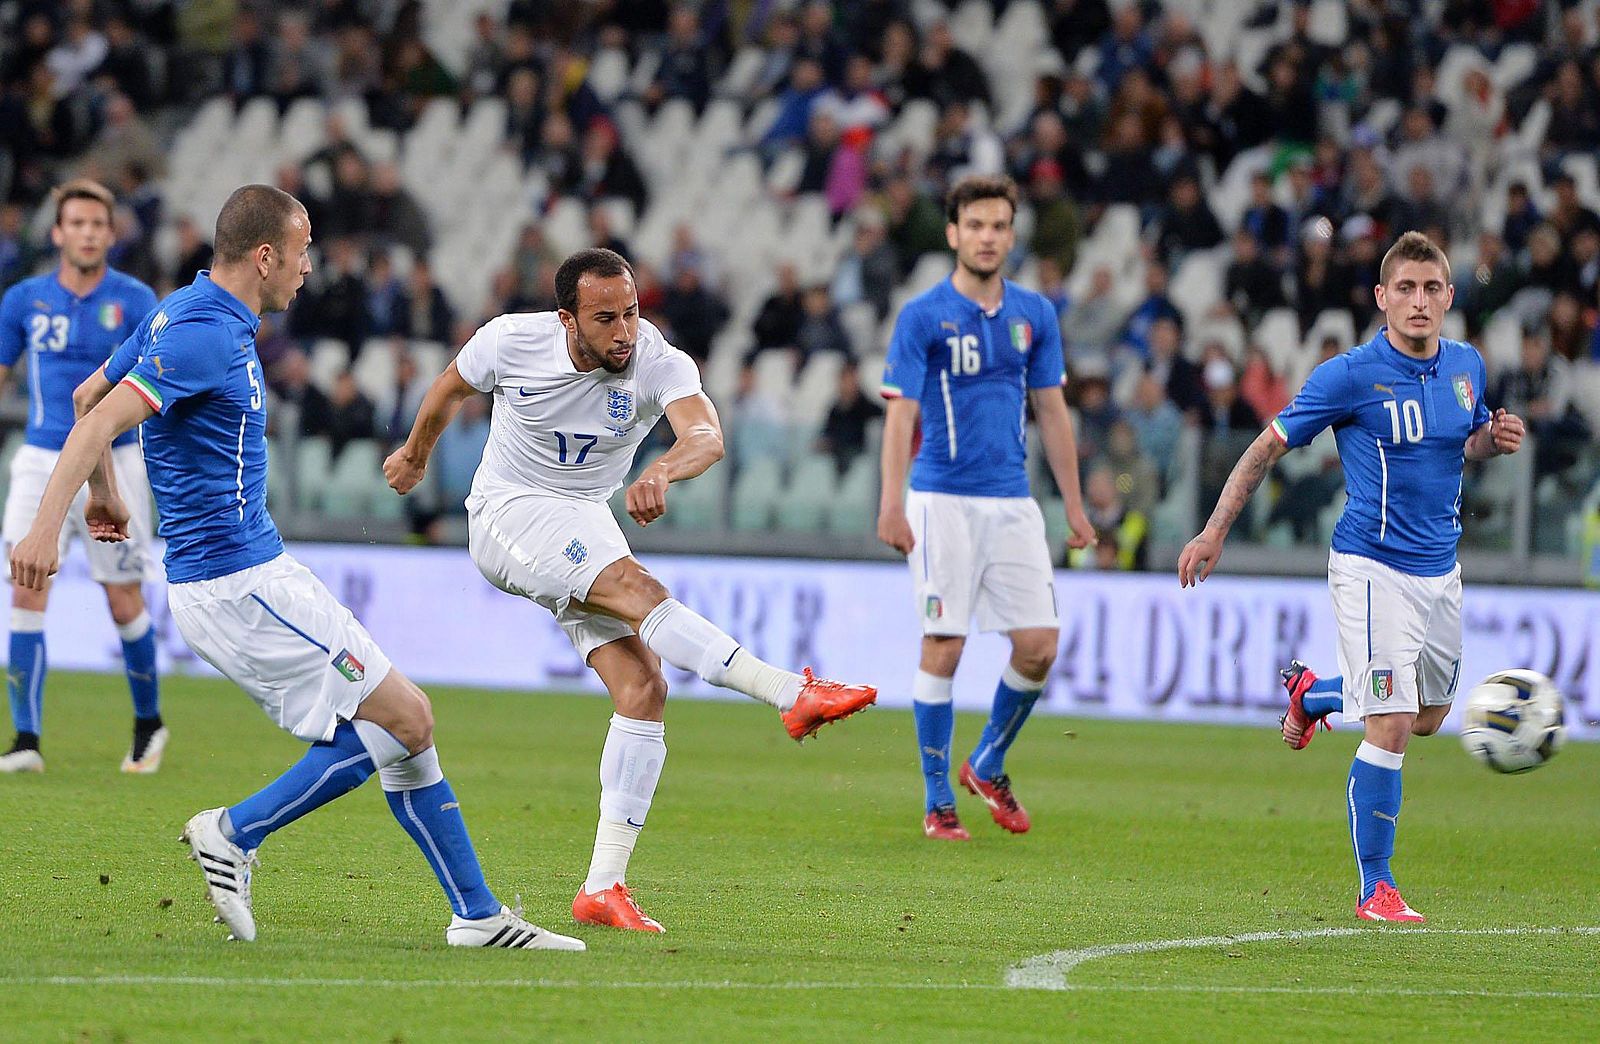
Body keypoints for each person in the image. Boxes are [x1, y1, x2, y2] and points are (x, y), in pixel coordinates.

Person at [9, 184, 583, 951]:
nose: (310, 267)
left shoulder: (181, 308)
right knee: (403, 719)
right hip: (235, 582)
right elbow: (101, 417)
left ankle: (477, 915)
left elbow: (88, 391)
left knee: (406, 726)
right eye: (304, 249)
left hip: (255, 569)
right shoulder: (203, 334)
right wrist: (50, 528)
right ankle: (234, 832)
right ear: (265, 255)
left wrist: (108, 498)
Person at [383, 247, 877, 934]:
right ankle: (791, 694)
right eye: (606, 318)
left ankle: (602, 887)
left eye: (633, 313)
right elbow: (446, 390)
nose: (624, 332)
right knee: (636, 587)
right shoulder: (512, 340)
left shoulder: (656, 359)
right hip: (509, 512)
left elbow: (705, 434)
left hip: (585, 517)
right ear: (567, 320)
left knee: (644, 687)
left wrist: (665, 471)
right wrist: (415, 454)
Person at [1177, 231, 1525, 923]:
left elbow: (1464, 439)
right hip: (1372, 567)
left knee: (1426, 718)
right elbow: (1264, 449)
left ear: (1449, 297)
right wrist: (1215, 529)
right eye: (1406, 289)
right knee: (1392, 723)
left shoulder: (1466, 366)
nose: (1419, 302)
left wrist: (1493, 438)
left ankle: (1315, 695)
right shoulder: (1349, 376)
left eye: (1431, 289)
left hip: (1440, 571)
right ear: (1381, 298)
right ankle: (1377, 886)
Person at [876, 175, 1094, 842]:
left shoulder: (1036, 314)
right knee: (945, 645)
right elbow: (899, 416)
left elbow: (1052, 413)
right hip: (941, 499)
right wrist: (891, 503)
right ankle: (938, 800)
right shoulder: (922, 316)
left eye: (999, 225)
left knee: (1038, 646)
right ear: (953, 234)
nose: (988, 237)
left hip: (1012, 501)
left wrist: (1076, 508)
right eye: (976, 225)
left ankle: (988, 761)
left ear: (1012, 233)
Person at [0, 179, 163, 775]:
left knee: (122, 599)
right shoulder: (22, 300)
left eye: (99, 224)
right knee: (25, 584)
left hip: (116, 461)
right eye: (78, 223)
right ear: (57, 233)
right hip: (41, 456)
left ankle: (149, 724)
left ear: (110, 235)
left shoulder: (137, 300)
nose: (89, 233)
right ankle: (25, 740)